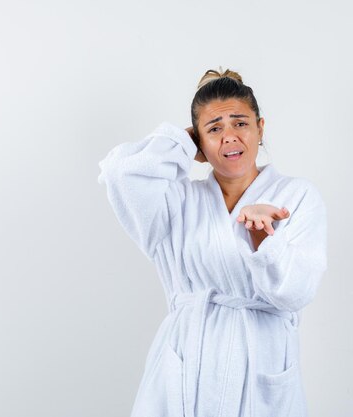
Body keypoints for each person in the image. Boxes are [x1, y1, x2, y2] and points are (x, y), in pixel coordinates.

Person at [97, 68, 328, 417]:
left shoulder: (295, 197)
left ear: (260, 128)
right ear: (199, 146)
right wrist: (181, 144)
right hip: (187, 360)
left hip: (260, 362)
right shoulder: (176, 202)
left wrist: (264, 241)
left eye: (240, 123)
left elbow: (296, 293)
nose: (230, 137)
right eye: (214, 129)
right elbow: (119, 174)